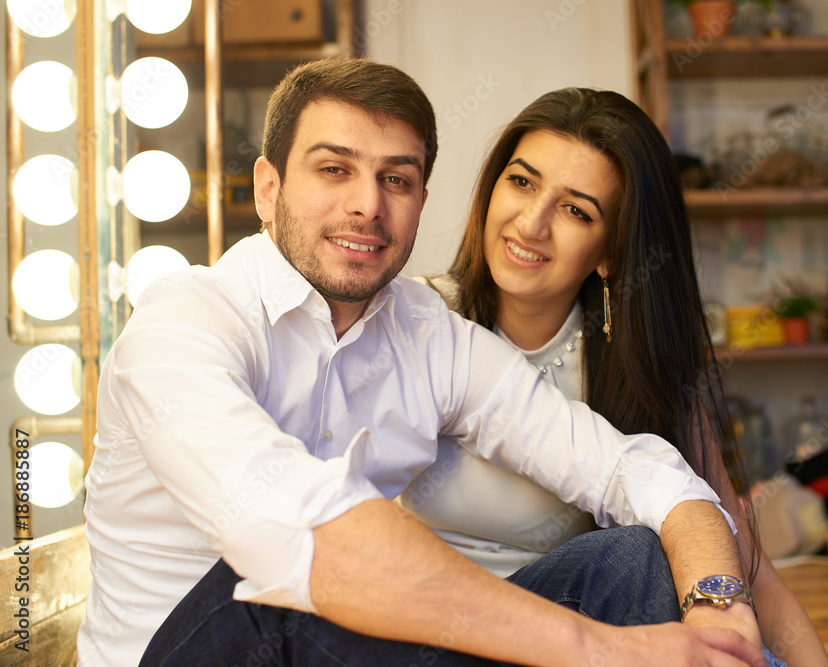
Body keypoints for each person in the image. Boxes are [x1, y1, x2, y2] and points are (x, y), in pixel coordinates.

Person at [77, 57, 769, 666]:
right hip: (200, 648)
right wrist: (601, 650)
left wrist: (716, 603)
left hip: (355, 650)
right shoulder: (182, 324)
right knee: (280, 590)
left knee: (632, 559)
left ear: (422, 203)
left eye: (396, 180)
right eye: (333, 169)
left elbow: (636, 468)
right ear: (267, 187)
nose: (366, 205)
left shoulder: (426, 333)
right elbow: (312, 540)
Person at [399, 87, 828, 665]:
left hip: (564, 642)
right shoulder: (416, 318)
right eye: (522, 182)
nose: (531, 223)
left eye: (577, 210)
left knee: (650, 555)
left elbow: (754, 574)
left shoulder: (635, 368)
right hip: (425, 631)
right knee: (638, 558)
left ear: (610, 251)